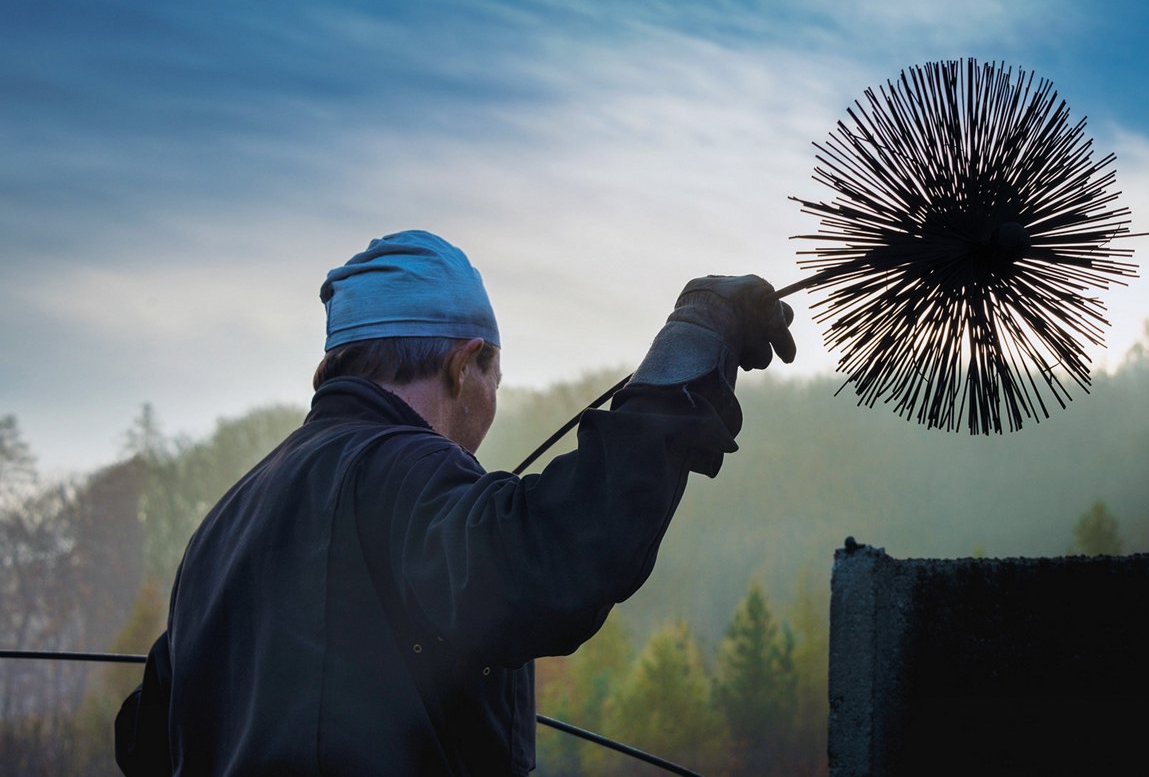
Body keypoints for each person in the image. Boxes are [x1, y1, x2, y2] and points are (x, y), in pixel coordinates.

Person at [115, 229, 796, 776]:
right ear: (462, 366)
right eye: (494, 376)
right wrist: (693, 343)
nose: (492, 401)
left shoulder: (219, 528)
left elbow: (144, 737)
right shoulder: (403, 472)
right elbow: (554, 558)